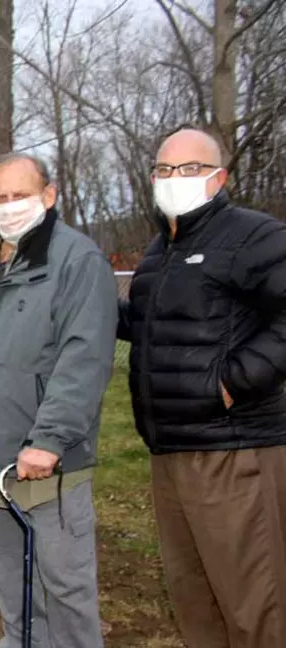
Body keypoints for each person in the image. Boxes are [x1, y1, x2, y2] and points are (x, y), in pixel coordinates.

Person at [0, 153, 116, 648]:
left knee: (64, 589)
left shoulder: (77, 261)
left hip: (45, 463)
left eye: (21, 195)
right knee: (10, 583)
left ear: (49, 196)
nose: (9, 207)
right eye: (0, 198)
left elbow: (85, 356)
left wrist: (50, 438)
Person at [118, 127, 286, 648]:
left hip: (232, 450)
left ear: (220, 177)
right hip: (170, 449)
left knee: (252, 602)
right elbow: (154, 326)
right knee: (195, 597)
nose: (174, 180)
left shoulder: (254, 236)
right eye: (164, 170)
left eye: (189, 169)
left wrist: (234, 383)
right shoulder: (160, 250)